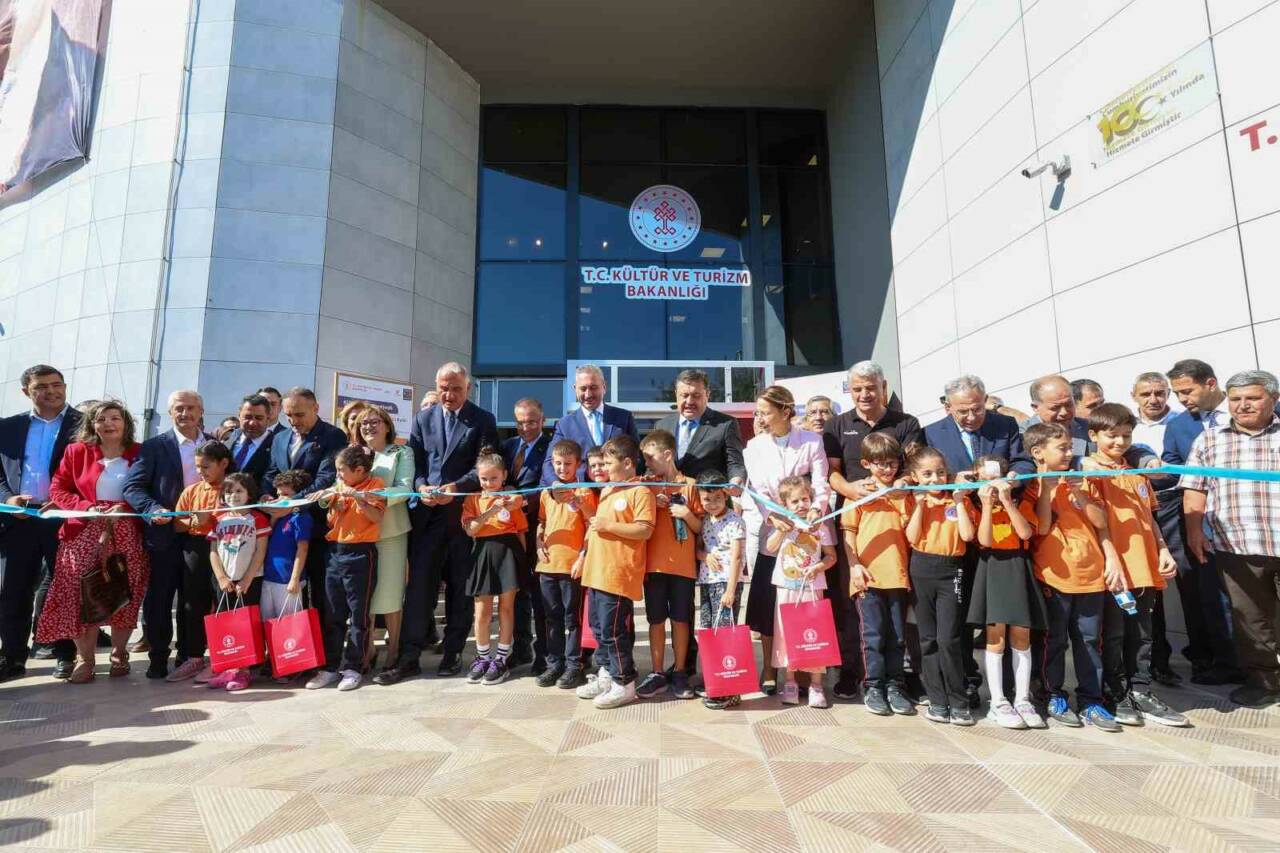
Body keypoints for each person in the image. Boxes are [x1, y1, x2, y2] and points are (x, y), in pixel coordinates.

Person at [378, 362, 498, 684]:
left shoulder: (482, 420)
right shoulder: (423, 418)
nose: (449, 394)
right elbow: (414, 463)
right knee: (418, 589)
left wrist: (456, 488)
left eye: (456, 388)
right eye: (444, 387)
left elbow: (484, 468)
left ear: (468, 388)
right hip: (427, 518)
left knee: (460, 588)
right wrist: (420, 487)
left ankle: (453, 651)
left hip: (462, 518)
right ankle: (409, 657)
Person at [1181, 370, 1280, 708]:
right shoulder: (1210, 440)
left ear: (1273, 399)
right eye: (1236, 399)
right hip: (1236, 546)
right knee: (1250, 619)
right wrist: (1194, 532)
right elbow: (1195, 490)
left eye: (1252, 398)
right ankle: (1264, 683)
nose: (1243, 406)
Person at [824, 360, 922, 700]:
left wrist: (900, 484)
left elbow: (915, 468)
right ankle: (854, 673)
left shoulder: (906, 423)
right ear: (849, 391)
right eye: (857, 389)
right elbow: (831, 474)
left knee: (900, 607)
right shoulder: (836, 425)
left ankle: (900, 675)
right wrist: (850, 491)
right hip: (854, 526)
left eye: (871, 388)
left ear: (883, 387)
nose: (865, 394)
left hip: (899, 525)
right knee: (855, 601)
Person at [1086, 403, 1188, 727]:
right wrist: (1111, 559)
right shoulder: (1089, 473)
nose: (1119, 442)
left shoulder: (1136, 471)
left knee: (1143, 634)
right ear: (1094, 435)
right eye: (1111, 436)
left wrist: (1162, 550)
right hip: (1115, 569)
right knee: (1113, 634)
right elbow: (1095, 526)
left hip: (1145, 566)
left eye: (1126, 436)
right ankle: (1114, 692)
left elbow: (1150, 517)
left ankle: (1140, 689)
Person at [924, 373, 1023, 706]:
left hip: (1001, 533)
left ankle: (1011, 687)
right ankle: (968, 678)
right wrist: (954, 481)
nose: (971, 417)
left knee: (1003, 613)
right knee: (962, 610)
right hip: (960, 532)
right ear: (947, 406)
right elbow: (927, 476)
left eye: (977, 409)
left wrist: (1013, 476)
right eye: (962, 411)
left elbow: (1023, 459)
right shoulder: (932, 433)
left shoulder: (1005, 425)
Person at [35, 401, 147, 683]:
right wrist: (86, 507)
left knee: (123, 592)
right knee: (80, 593)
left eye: (115, 418)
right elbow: (58, 488)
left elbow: (149, 489)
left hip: (126, 531)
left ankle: (120, 654)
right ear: (92, 424)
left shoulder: (140, 452)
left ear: (125, 423)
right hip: (83, 530)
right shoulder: (76, 451)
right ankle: (85, 660)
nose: (108, 423)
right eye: (101, 419)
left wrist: (124, 507)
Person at [1023, 422, 1122, 733]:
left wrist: (1080, 492)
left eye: (1070, 448)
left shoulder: (1084, 481)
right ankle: (1053, 694)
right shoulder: (1030, 486)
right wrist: (1047, 489)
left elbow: (1101, 521)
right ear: (1038, 453)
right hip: (1054, 576)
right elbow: (1039, 528)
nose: (1069, 453)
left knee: (1090, 640)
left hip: (1092, 575)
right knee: (1054, 641)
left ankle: (1092, 699)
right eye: (1061, 448)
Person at [1162, 359, 1244, 685]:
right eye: (1177, 393)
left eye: (1187, 391)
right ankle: (1229, 663)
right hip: (1205, 521)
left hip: (1251, 515)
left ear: (1210, 383)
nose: (1182, 399)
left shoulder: (1249, 414)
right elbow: (1171, 468)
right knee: (1214, 595)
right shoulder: (1180, 426)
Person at [744, 385, 829, 695]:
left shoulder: (811, 441)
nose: (760, 418)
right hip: (773, 534)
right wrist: (773, 518)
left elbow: (821, 484)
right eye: (758, 412)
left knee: (805, 601)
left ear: (785, 411)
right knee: (770, 605)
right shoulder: (753, 447)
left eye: (765, 412)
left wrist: (816, 510)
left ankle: (807, 666)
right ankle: (770, 667)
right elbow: (759, 492)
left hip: (807, 536)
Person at [0, 364, 82, 680]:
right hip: (18, 519)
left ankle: (64, 653)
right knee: (13, 590)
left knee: (63, 589)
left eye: (56, 384)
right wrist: (8, 499)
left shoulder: (85, 424)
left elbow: (92, 472)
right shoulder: (7, 428)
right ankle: (12, 657)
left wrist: (65, 498)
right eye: (42, 387)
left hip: (62, 517)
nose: (51, 391)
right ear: (26, 392)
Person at [123, 389, 211, 680]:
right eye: (179, 409)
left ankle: (189, 655)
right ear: (171, 413)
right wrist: (152, 508)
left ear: (201, 411)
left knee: (193, 599)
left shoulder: (215, 445)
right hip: (163, 535)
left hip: (200, 535)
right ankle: (158, 655)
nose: (185, 414)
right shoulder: (154, 446)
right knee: (160, 598)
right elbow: (133, 487)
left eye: (191, 408)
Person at [261, 387, 348, 673]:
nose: (294, 421)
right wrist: (268, 497)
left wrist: (292, 504)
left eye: (299, 414)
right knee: (289, 595)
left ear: (315, 408)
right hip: (283, 534)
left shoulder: (333, 436)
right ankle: (290, 654)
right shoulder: (280, 438)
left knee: (323, 596)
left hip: (319, 528)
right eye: (288, 415)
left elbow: (325, 478)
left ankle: (323, 658)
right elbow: (272, 473)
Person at [575, 435, 655, 710]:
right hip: (597, 571)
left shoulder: (640, 492)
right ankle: (607, 673)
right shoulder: (609, 490)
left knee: (613, 630)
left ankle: (625, 682)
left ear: (628, 463)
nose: (604, 469)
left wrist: (608, 525)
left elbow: (644, 529)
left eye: (609, 463)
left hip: (618, 573)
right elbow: (598, 525)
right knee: (599, 627)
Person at [967, 454, 1044, 729]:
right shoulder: (975, 506)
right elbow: (984, 540)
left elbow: (1025, 534)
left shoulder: (1021, 502)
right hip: (992, 568)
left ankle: (1023, 699)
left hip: (1018, 566)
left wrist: (1008, 501)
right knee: (995, 637)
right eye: (986, 481)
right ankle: (998, 700)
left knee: (1022, 635)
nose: (993, 487)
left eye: (996, 480)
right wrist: (987, 505)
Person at [903, 446, 976, 726]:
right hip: (921, 568)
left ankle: (959, 701)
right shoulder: (915, 501)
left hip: (952, 571)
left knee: (949, 639)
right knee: (928, 639)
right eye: (927, 474)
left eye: (940, 472)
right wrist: (920, 504)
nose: (935, 479)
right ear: (915, 476)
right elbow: (911, 537)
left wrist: (958, 501)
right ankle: (937, 700)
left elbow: (968, 535)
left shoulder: (957, 501)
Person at [841, 432, 911, 716]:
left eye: (892, 463)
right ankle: (872, 685)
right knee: (872, 635)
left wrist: (904, 488)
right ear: (866, 463)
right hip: (867, 577)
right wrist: (854, 565)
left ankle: (895, 685)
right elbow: (849, 533)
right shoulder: (858, 495)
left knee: (897, 636)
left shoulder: (903, 494)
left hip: (899, 575)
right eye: (880, 463)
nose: (887, 469)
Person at [309, 445, 386, 691]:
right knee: (333, 612)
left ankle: (354, 667)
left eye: (342, 471)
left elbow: (376, 517)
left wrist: (357, 497)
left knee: (359, 615)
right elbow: (331, 517)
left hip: (361, 553)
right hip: (335, 552)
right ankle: (330, 667)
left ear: (360, 470)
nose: (338, 476)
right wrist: (330, 502)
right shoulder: (338, 486)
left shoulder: (376, 484)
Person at [1128, 371, 1187, 687]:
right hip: (1134, 510)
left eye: (1159, 393)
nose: (1154, 399)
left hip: (1172, 505)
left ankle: (1170, 663)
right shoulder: (1127, 427)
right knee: (1148, 590)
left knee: (1178, 581)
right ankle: (1149, 662)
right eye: (1146, 394)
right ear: (1134, 395)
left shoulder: (1179, 422)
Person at [635, 429, 702, 700]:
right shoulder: (644, 485)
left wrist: (685, 513)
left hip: (683, 567)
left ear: (667, 454)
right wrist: (652, 499)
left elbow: (701, 527)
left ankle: (681, 671)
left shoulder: (691, 484)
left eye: (650, 459)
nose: (647, 464)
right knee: (655, 620)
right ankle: (657, 671)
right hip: (653, 566)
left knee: (681, 619)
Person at [165, 440, 233, 682]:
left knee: (223, 602)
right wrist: (195, 521)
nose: (201, 472)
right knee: (193, 602)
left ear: (223, 463)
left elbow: (244, 515)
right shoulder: (192, 491)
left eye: (206, 467)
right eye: (198, 467)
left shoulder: (234, 488)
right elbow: (177, 522)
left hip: (227, 548)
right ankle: (194, 657)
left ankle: (223, 657)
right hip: (195, 548)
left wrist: (212, 519)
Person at [766, 475, 837, 709]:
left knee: (815, 634)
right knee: (787, 635)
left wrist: (820, 566)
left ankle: (816, 684)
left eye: (804, 499)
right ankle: (790, 681)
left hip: (812, 589)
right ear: (785, 504)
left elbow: (831, 556)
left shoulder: (821, 525)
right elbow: (770, 547)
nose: (801, 505)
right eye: (794, 501)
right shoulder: (783, 523)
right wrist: (782, 529)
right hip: (787, 588)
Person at [354, 405, 414, 671]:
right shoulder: (353, 453)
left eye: (374, 422)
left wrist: (372, 497)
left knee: (389, 595)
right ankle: (367, 649)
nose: (368, 426)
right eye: (363, 423)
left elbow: (404, 489)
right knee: (364, 595)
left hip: (390, 532)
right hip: (358, 533)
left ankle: (393, 650)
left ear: (388, 425)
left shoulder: (401, 452)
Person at [534, 439, 596, 689]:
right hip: (548, 566)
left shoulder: (584, 493)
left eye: (568, 464)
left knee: (573, 619)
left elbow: (592, 526)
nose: (562, 468)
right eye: (558, 464)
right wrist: (538, 544)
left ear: (578, 464)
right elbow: (540, 522)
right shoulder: (546, 494)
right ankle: (554, 664)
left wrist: (582, 556)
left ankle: (574, 665)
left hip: (572, 567)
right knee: (552, 618)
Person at [461, 449, 526, 686]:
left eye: (494, 478)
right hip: (482, 553)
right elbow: (471, 529)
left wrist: (523, 563)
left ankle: (501, 659)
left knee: (506, 609)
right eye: (484, 479)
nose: (489, 483)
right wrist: (491, 510)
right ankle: (482, 657)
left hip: (508, 553)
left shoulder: (514, 499)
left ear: (504, 476)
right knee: (482, 611)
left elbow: (520, 532)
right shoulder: (473, 499)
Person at [205, 472, 271, 692]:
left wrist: (248, 578)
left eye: (239, 491)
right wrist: (221, 577)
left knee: (246, 626)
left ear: (249, 493)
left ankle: (244, 671)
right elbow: (213, 551)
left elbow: (260, 551)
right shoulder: (219, 519)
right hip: (225, 582)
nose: (233, 495)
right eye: (229, 491)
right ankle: (228, 669)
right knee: (225, 624)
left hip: (248, 581)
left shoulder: (257, 519)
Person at [503, 398, 551, 674]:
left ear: (542, 420)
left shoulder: (550, 447)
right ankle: (519, 648)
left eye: (531, 421)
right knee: (516, 590)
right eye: (520, 422)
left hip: (537, 527)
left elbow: (546, 485)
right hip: (509, 531)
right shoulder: (508, 446)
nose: (526, 427)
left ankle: (543, 653)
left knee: (539, 593)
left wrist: (521, 499)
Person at [694, 469, 746, 710]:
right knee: (709, 632)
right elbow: (698, 550)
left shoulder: (735, 520)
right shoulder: (705, 520)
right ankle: (716, 681)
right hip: (707, 582)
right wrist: (705, 556)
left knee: (725, 633)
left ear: (725, 495)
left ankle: (731, 690)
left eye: (717, 498)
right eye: (707, 499)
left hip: (726, 583)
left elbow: (737, 557)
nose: (712, 503)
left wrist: (731, 590)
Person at [541, 364, 639, 485]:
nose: (588, 394)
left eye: (593, 388)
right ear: (575, 389)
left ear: (604, 387)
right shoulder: (565, 425)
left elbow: (637, 456)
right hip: (581, 495)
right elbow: (550, 461)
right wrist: (556, 485)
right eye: (583, 389)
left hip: (619, 492)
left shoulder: (624, 418)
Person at [261, 470, 313, 681]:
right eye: (278, 494)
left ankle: (293, 664)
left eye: (285, 496)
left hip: (288, 580)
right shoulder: (275, 516)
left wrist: (294, 579)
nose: (280, 499)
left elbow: (303, 549)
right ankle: (274, 660)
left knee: (291, 623)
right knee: (270, 621)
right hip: (268, 577)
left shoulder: (301, 517)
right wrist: (274, 516)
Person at [653, 369, 747, 484]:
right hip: (669, 498)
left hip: (706, 497)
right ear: (676, 394)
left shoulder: (726, 424)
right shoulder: (662, 425)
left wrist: (736, 480)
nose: (689, 401)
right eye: (684, 395)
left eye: (696, 396)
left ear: (707, 394)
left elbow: (735, 463)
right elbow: (652, 463)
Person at [223, 394, 275, 490]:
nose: (252, 423)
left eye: (259, 418)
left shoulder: (276, 446)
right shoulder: (228, 441)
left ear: (268, 419)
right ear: (239, 416)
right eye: (247, 417)